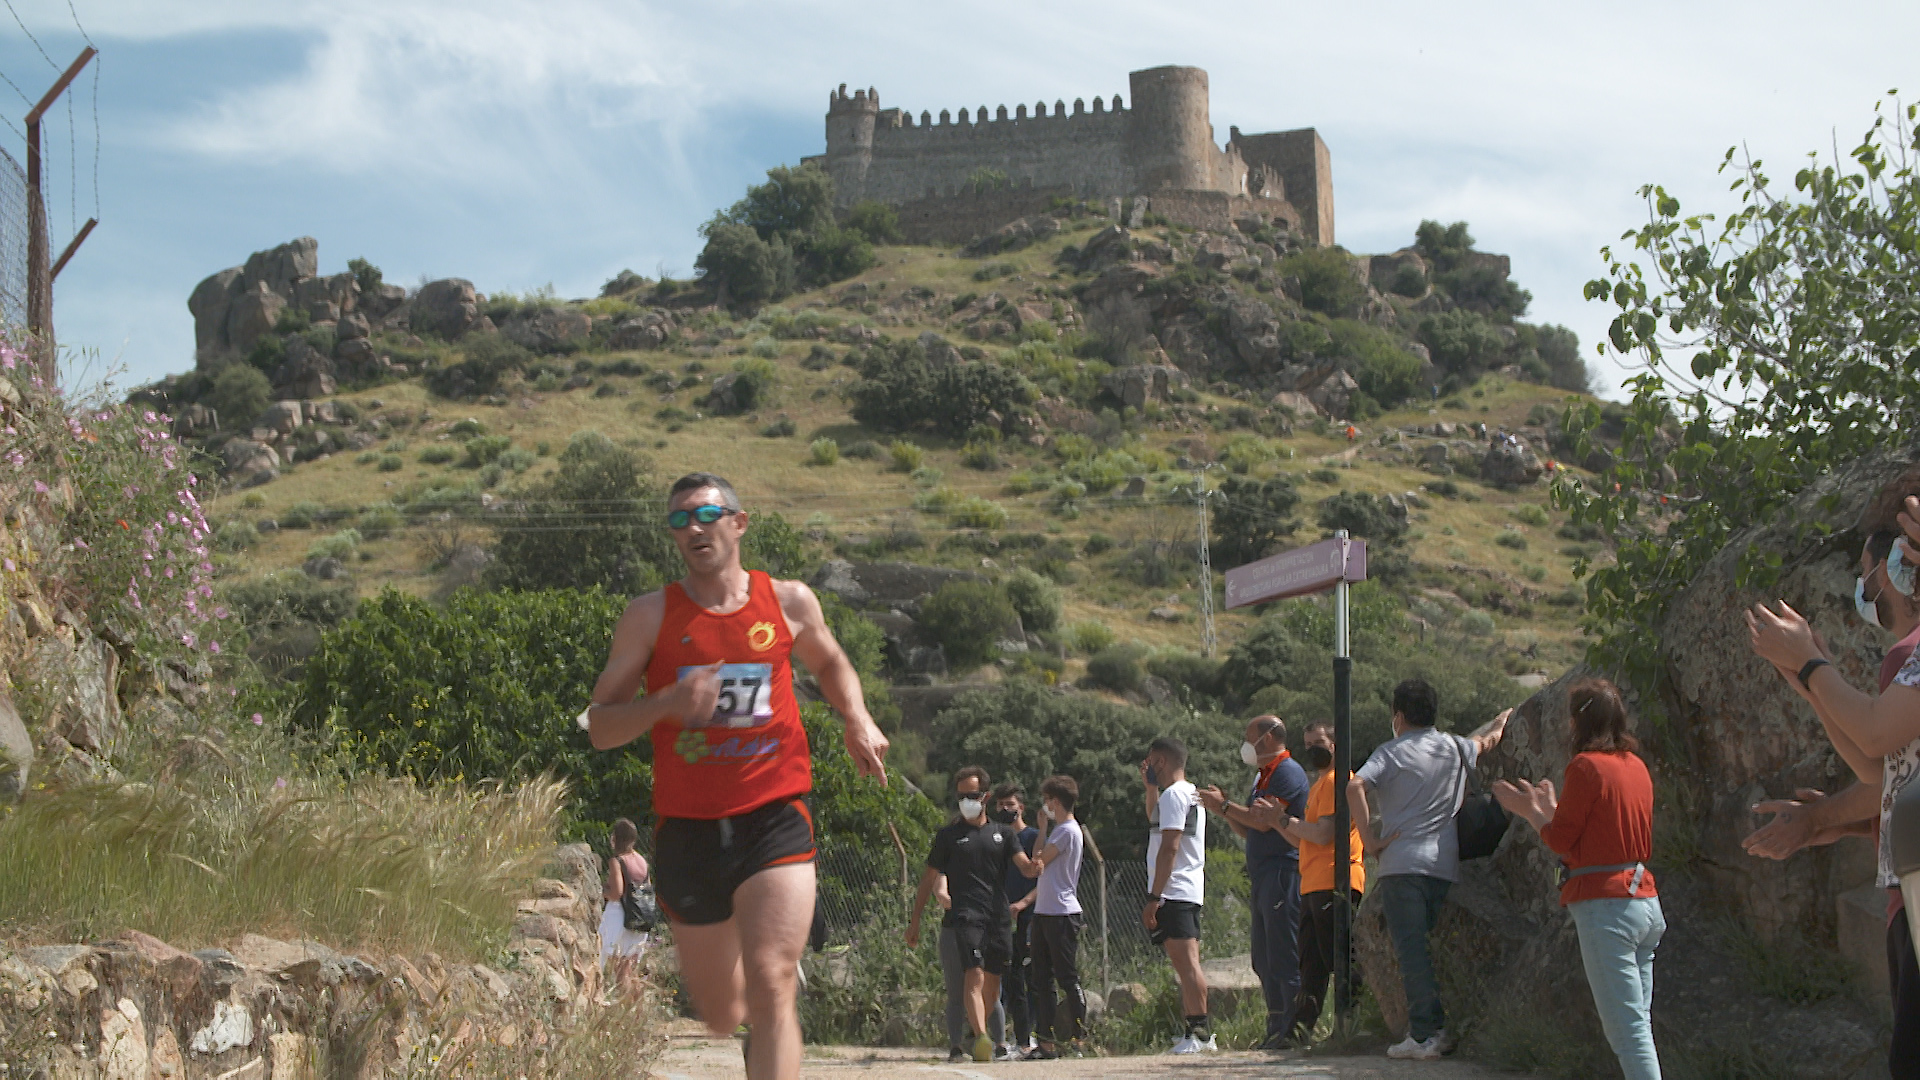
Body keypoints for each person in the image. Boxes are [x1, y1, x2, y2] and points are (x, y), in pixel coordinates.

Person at [584, 472, 890, 1080]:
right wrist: (666, 702)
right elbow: (599, 726)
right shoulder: (650, 617)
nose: (693, 529)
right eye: (679, 521)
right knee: (724, 1013)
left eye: (705, 514)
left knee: (775, 981)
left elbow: (831, 662)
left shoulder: (788, 601)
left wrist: (857, 718)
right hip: (689, 829)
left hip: (774, 815)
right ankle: (756, 1020)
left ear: (738, 522)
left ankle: (773, 1011)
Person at [1745, 483, 1920, 1080]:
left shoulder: (1910, 655)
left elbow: (1872, 739)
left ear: (1896, 572)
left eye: (1868, 574)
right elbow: (1875, 768)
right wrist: (1805, 672)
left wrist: (1813, 665)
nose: (1862, 591)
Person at [1493, 679, 1663, 1080]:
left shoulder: (1586, 766)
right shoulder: (1635, 766)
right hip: (1644, 901)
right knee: (1638, 1024)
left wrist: (1529, 810)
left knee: (1627, 1032)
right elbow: (1598, 836)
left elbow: (1560, 840)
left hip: (1608, 908)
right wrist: (1550, 806)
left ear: (1577, 723)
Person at [1347, 679, 1509, 1060]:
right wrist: (1503, 719)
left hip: (1402, 863)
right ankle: (1430, 1027)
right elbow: (1487, 742)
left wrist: (1370, 841)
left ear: (1398, 716)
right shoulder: (1454, 746)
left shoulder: (1390, 753)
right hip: (1443, 863)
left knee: (1411, 949)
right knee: (1424, 947)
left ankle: (1426, 1033)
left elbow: (1355, 786)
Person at [907, 766, 1043, 1063]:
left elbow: (1023, 865)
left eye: (972, 795)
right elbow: (929, 879)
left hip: (998, 917)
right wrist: (915, 920)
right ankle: (981, 1038)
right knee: (974, 975)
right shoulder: (948, 836)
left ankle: (992, 1039)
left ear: (985, 796)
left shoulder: (1003, 834)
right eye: (961, 796)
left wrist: (1034, 868)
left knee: (993, 984)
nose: (966, 800)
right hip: (965, 916)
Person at [1198, 715, 1311, 1049]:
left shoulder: (1287, 772)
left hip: (1282, 871)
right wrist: (1226, 812)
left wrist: (1225, 805)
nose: (1246, 744)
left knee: (1282, 955)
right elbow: (1249, 826)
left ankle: (1292, 1028)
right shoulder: (1263, 776)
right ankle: (1276, 1025)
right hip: (1263, 875)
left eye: (1250, 737)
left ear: (1269, 737)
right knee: (1263, 958)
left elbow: (1264, 822)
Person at [1260, 721, 1366, 1045]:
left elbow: (1323, 834)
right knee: (1312, 966)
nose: (1313, 750)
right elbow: (1303, 841)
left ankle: (1349, 1028)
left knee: (1342, 960)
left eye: (1318, 742)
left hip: (1336, 880)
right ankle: (1300, 1032)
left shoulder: (1339, 781)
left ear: (1335, 744)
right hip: (1313, 883)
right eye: (1307, 745)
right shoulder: (1320, 784)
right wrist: (1277, 822)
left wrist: (1282, 819)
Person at [1142, 735, 1213, 1054]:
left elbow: (1169, 847)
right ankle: (1192, 1028)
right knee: (1186, 964)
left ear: (1161, 762)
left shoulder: (1174, 796)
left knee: (1187, 965)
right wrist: (1150, 788)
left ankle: (1200, 1033)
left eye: (1151, 762)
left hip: (1174, 890)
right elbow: (1156, 822)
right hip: (1187, 888)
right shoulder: (1187, 794)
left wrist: (1153, 896)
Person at [1026, 775, 1088, 1061]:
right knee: (1042, 978)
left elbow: (1038, 862)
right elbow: (1039, 859)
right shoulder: (1057, 830)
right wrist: (1042, 829)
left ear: (1055, 801)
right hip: (1045, 911)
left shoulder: (1066, 831)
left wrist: (1042, 833)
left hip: (1061, 912)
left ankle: (1080, 1037)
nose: (1045, 805)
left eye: (1047, 799)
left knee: (1065, 976)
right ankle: (1046, 1042)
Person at [992, 781, 1040, 1057]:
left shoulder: (1032, 838)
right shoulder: (996, 838)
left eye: (1009, 805)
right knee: (1006, 978)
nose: (1005, 809)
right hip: (1000, 917)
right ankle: (1006, 1036)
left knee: (1027, 978)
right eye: (1000, 805)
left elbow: (1043, 877)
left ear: (1020, 807)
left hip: (1028, 917)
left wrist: (1022, 904)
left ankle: (1029, 1035)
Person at [600, 818, 652, 988]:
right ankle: (633, 1008)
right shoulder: (642, 861)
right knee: (627, 971)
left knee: (608, 965)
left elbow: (617, 893)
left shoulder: (617, 861)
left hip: (619, 918)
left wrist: (601, 892)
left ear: (615, 837)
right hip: (639, 919)